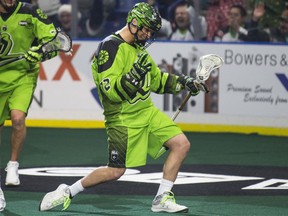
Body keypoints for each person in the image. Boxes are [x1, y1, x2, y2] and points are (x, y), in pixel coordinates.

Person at [39, 2, 207, 214]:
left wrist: (185, 83)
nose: (147, 34)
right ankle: (67, 191)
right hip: (122, 119)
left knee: (181, 144)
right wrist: (131, 79)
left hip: (147, 112)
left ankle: (162, 198)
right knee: (115, 171)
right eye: (145, 28)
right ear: (134, 22)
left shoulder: (139, 48)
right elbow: (110, 92)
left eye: (150, 31)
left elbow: (158, 81)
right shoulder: (110, 47)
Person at [0, 0, 59, 211]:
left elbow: (57, 41)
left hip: (23, 76)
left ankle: (13, 164)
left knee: (17, 119)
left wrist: (41, 52)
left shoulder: (30, 12)